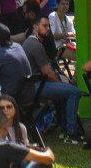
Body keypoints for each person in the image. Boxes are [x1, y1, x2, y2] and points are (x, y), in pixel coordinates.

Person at [22, 11, 82, 141]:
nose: (48, 29)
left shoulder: (32, 42)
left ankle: (65, 128)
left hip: (34, 84)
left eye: (48, 26)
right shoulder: (35, 44)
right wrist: (62, 83)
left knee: (65, 90)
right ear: (35, 27)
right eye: (44, 26)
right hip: (35, 87)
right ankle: (71, 133)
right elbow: (48, 73)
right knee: (74, 92)